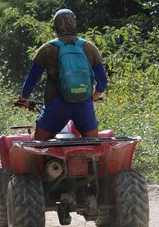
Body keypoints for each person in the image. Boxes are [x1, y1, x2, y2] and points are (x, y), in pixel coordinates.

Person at [16, 8, 108, 140]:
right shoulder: (89, 48)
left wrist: (23, 99)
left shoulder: (47, 49)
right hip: (84, 106)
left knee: (37, 144)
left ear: (55, 26)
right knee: (94, 145)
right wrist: (95, 95)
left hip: (56, 105)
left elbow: (31, 81)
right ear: (74, 23)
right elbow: (103, 81)